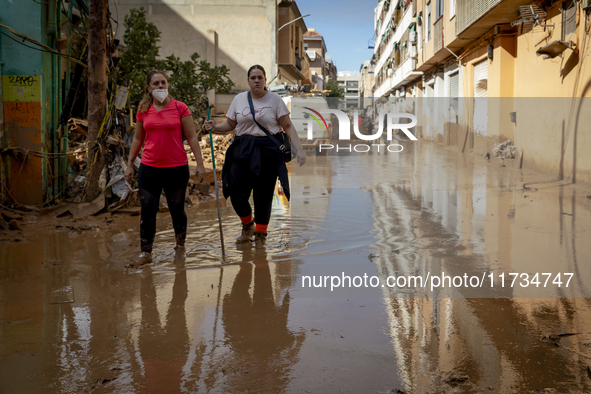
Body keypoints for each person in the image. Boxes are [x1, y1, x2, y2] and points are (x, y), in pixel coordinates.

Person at [204, 65, 306, 248]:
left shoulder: (275, 100)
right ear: (248, 80)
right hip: (242, 150)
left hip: (267, 152)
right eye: (253, 78)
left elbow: (287, 126)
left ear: (265, 80)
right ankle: (247, 224)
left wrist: (300, 149)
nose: (256, 81)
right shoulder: (239, 99)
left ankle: (260, 235)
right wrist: (214, 127)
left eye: (260, 77)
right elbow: (230, 123)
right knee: (235, 192)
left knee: (264, 195)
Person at [125, 70, 206, 265]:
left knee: (177, 208)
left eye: (163, 83)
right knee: (147, 208)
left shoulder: (180, 108)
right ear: (148, 88)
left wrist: (200, 164)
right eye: (156, 83)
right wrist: (129, 164)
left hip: (176, 168)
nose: (161, 86)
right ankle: (146, 253)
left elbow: (192, 137)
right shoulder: (143, 110)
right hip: (149, 168)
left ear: (168, 85)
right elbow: (137, 139)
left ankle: (180, 246)